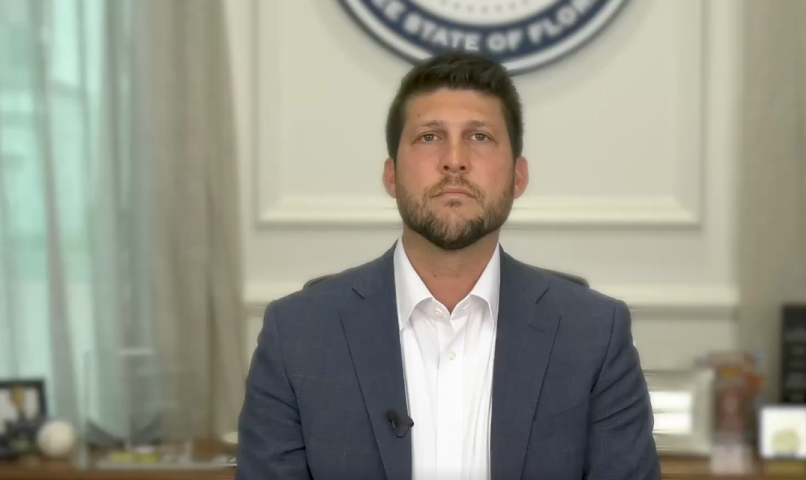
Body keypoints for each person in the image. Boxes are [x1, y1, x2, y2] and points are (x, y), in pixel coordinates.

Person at [237, 51, 660, 480]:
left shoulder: (594, 335)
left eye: (480, 137)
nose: (454, 160)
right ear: (391, 176)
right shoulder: (296, 336)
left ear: (518, 177)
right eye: (429, 137)